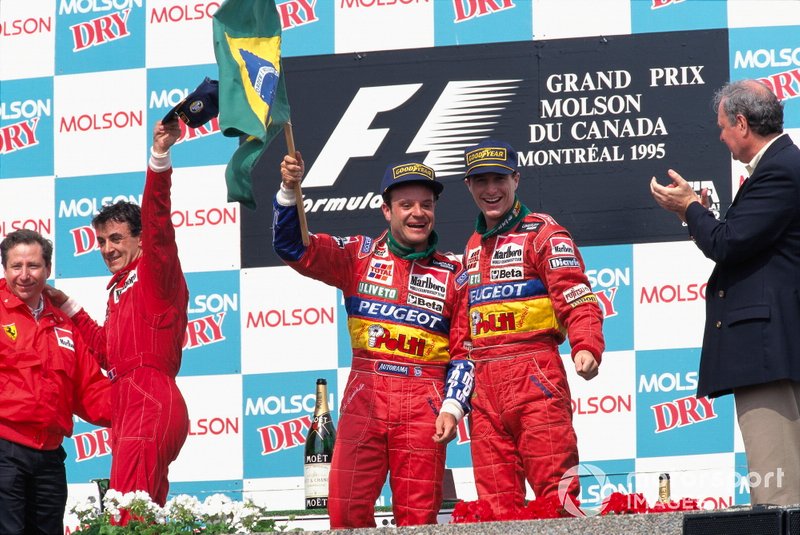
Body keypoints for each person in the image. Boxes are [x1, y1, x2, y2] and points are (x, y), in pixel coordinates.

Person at [274, 154, 474, 528]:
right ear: (387, 210)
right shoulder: (358, 256)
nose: (418, 213)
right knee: (346, 511)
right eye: (406, 205)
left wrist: (453, 406)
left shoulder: (455, 274)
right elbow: (292, 247)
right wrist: (289, 190)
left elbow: (466, 354)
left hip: (424, 403)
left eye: (426, 205)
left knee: (418, 520)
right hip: (365, 398)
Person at [650, 79, 800, 506]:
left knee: (778, 492)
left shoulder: (780, 170)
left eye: (721, 126)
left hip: (768, 352)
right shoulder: (782, 167)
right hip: (774, 348)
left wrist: (689, 209)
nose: (719, 136)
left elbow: (727, 243)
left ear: (741, 122)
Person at [46, 120, 190, 518]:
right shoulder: (118, 289)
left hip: (150, 400)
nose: (107, 249)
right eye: (102, 241)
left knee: (128, 517)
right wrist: (68, 306)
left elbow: (159, 220)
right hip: (129, 402)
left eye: (117, 239)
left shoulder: (154, 275)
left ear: (141, 240)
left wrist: (159, 157)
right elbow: (108, 354)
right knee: (140, 516)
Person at [460, 139, 605, 516]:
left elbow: (576, 295)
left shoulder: (544, 233)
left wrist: (585, 345)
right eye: (481, 181)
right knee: (496, 510)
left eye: (499, 179)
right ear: (468, 186)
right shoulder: (472, 245)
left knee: (557, 500)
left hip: (535, 374)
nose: (491, 190)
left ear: (516, 179)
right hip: (484, 386)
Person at [0, 229, 112, 534]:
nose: (24, 275)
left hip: (50, 456)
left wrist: (136, 407)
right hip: (5, 451)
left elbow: (90, 388)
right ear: (5, 269)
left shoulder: (63, 324)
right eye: (16, 266)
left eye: (33, 266)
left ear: (47, 269)